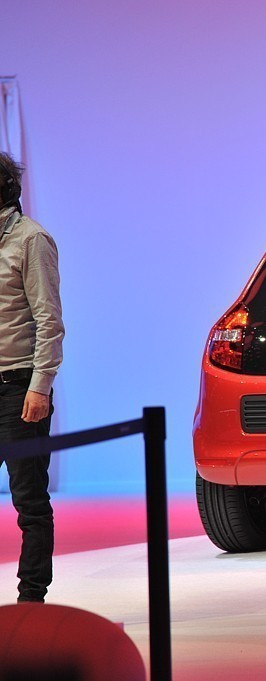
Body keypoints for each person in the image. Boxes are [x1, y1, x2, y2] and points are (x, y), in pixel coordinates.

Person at [0, 151, 64, 603]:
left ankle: (32, 599)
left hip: (18, 389)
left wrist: (40, 386)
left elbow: (49, 321)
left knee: (29, 501)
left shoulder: (31, 239)